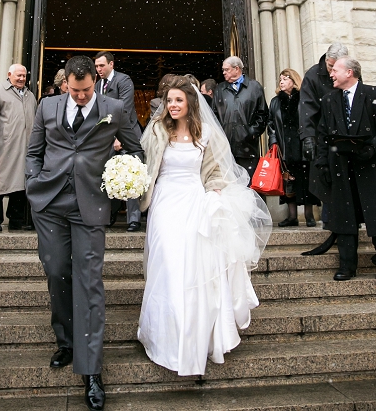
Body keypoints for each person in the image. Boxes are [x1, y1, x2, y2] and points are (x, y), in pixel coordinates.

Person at [25, 56, 143, 411]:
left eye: (86, 90)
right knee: (57, 270)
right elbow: (33, 152)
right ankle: (67, 340)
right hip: (49, 202)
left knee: (89, 280)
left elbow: (136, 149)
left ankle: (91, 370)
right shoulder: (47, 106)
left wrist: (123, 177)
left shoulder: (115, 108)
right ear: (66, 85)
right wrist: (32, 180)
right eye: (74, 91)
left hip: (91, 204)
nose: (79, 96)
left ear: (96, 81)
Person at [137, 77, 272, 375]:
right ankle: (163, 334)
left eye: (178, 101)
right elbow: (143, 164)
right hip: (164, 204)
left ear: (190, 104)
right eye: (169, 100)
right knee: (167, 262)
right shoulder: (158, 131)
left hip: (194, 202)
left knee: (191, 266)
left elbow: (214, 171)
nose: (172, 106)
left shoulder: (206, 133)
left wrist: (217, 190)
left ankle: (191, 335)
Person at [313, 57, 376, 280]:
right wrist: (322, 163)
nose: (331, 74)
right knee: (344, 217)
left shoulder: (372, 95)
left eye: (335, 70)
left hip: (369, 167)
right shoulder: (329, 99)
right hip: (339, 166)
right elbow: (322, 134)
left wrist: (371, 149)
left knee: (374, 213)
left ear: (349, 72)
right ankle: (347, 266)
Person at [299, 43, 348, 256]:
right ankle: (329, 221)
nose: (332, 71)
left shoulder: (349, 71)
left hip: (347, 137)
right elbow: (307, 109)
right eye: (330, 66)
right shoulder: (313, 75)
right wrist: (308, 137)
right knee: (327, 181)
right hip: (324, 138)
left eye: (336, 66)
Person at [0, 64, 37, 231]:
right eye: (18, 75)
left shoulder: (30, 96)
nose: (21, 79)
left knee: (20, 184)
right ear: (9, 75)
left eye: (24, 76)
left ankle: (16, 219)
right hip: (5, 145)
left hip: (26, 146)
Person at [94, 51, 143, 231]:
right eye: (97, 66)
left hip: (127, 136)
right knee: (108, 175)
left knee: (131, 174)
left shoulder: (124, 80)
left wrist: (118, 137)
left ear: (111, 64)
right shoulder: (98, 85)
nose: (98, 69)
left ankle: (133, 219)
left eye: (102, 65)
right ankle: (109, 214)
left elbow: (125, 109)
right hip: (106, 138)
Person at [268, 68, 318, 227]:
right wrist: (274, 142)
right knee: (288, 181)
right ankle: (292, 216)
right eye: (280, 79)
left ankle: (309, 215)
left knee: (307, 180)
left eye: (285, 79)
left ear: (294, 81)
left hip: (303, 146)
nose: (281, 82)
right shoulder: (275, 102)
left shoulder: (304, 99)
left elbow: (311, 120)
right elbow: (272, 125)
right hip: (285, 147)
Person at [214, 56, 268, 178]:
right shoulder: (220, 89)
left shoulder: (254, 87)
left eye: (226, 69)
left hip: (248, 147)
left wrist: (252, 132)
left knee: (249, 185)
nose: (223, 72)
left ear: (236, 69)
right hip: (226, 148)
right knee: (230, 185)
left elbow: (262, 113)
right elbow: (214, 115)